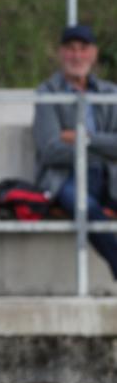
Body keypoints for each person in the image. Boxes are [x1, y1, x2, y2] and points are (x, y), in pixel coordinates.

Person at [34, 24, 117, 279]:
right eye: (71, 49)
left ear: (93, 53)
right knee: (85, 205)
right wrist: (102, 147)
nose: (77, 56)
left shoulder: (109, 93)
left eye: (83, 49)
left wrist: (81, 139)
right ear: (61, 53)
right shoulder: (47, 94)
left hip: (106, 176)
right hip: (65, 178)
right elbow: (49, 149)